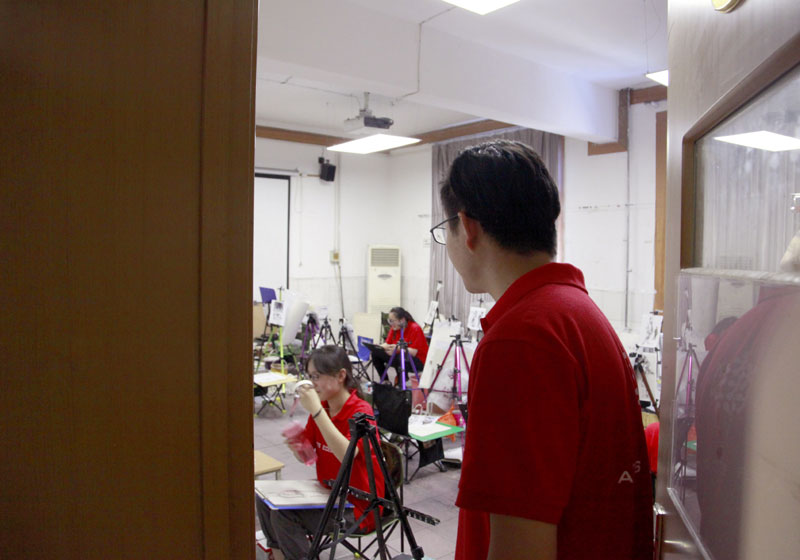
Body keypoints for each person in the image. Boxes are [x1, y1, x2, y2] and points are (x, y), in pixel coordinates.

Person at [436, 140, 652, 560]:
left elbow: (521, 548)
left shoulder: (519, 341)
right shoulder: (577, 312)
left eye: (445, 231)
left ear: (468, 227)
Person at [256, 345, 384, 560]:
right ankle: (278, 555)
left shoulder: (361, 411)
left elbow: (347, 456)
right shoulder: (323, 408)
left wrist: (316, 411)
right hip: (328, 493)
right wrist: (298, 446)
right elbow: (307, 458)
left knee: (284, 516)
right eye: (309, 376)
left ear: (340, 376)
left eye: (316, 376)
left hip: (358, 506)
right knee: (265, 498)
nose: (311, 383)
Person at [371, 306, 429, 383]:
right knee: (375, 353)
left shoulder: (415, 328)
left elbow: (414, 352)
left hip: (418, 361)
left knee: (400, 356)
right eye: (389, 321)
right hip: (400, 356)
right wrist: (377, 347)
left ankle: (401, 381)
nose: (391, 324)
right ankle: (385, 381)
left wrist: (398, 349)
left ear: (402, 320)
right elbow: (387, 343)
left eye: (392, 321)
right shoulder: (395, 328)